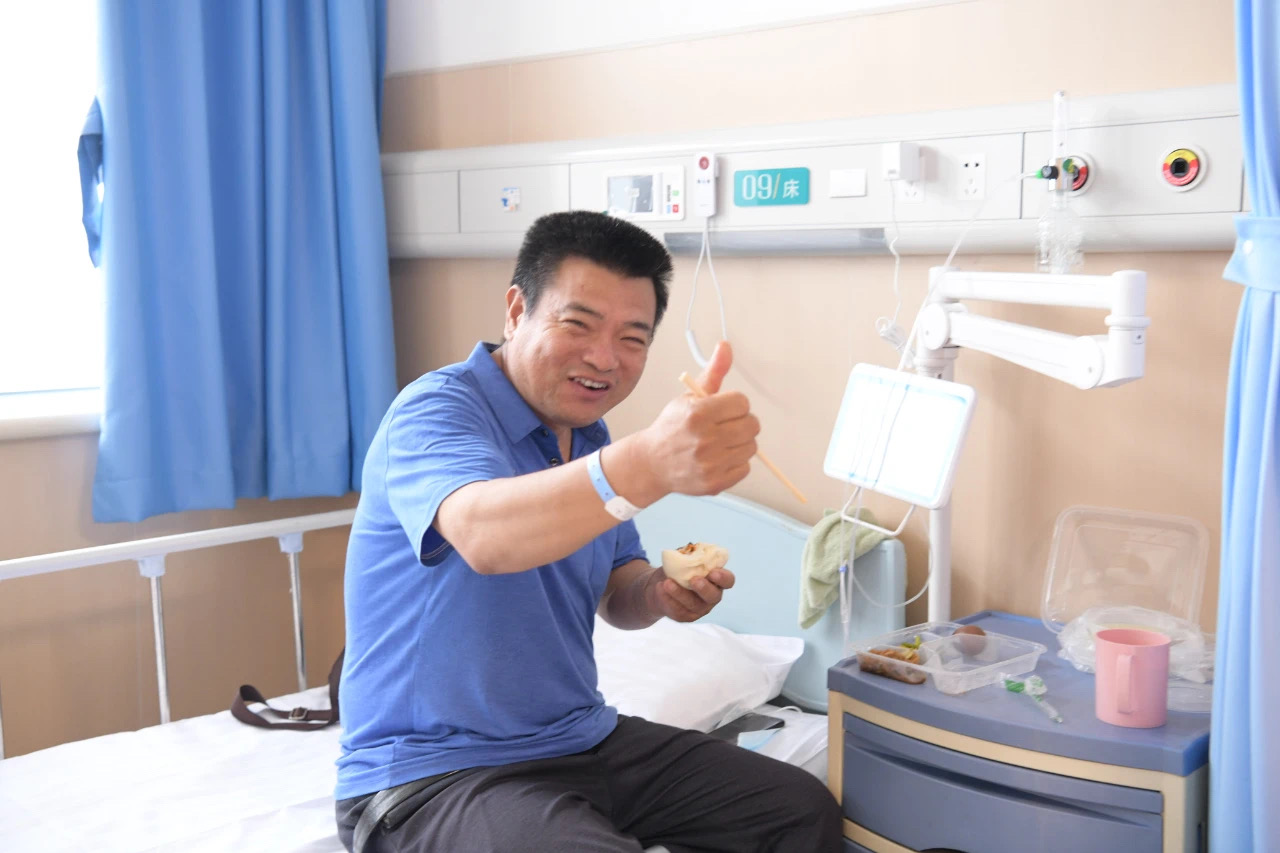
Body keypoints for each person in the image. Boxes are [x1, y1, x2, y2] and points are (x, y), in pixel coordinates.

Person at [335, 210, 842, 852]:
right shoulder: (437, 411)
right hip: (436, 772)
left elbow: (617, 592)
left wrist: (660, 594)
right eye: (577, 324)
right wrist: (645, 463)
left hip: (581, 740)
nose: (604, 358)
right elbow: (486, 536)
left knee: (797, 811)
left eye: (632, 337)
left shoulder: (588, 439)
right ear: (516, 311)